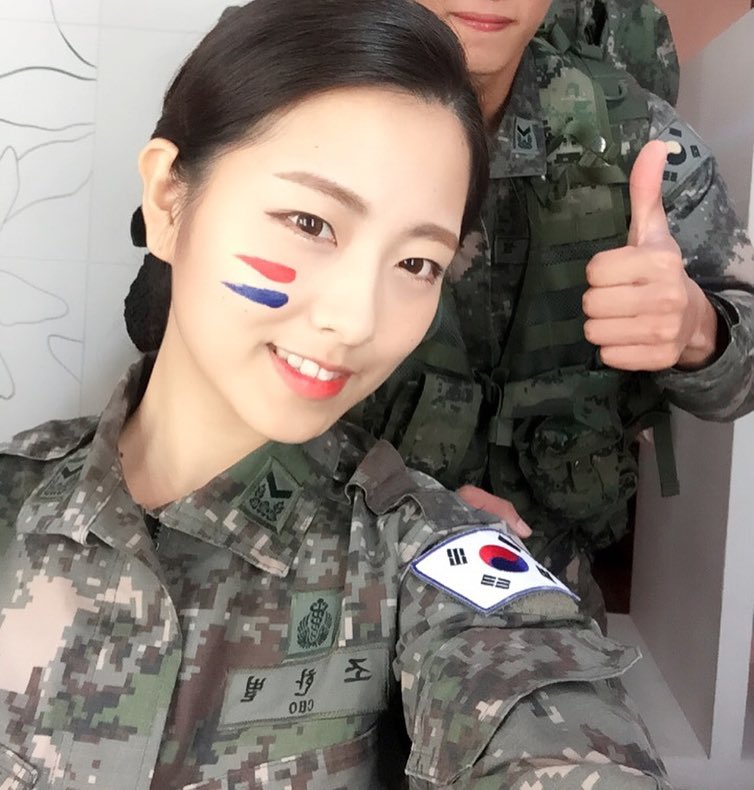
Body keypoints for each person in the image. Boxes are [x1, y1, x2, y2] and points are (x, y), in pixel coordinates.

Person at [0, 1, 676, 788]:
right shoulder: (18, 502)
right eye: (310, 222)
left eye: (417, 264)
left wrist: (699, 332)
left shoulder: (422, 557)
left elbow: (553, 729)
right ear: (168, 200)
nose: (357, 322)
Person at [349, 0, 754, 627]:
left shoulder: (629, 134)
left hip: (544, 582)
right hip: (341, 568)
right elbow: (201, 376)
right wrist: (407, 505)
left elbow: (745, 363)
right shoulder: (297, 111)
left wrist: (697, 329)